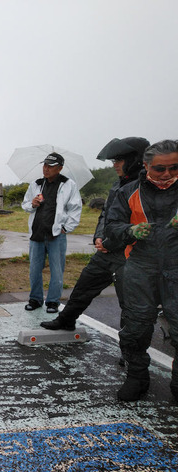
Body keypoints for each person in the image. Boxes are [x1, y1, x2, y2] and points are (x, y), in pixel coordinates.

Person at [41, 137, 149, 331]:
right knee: (84, 285)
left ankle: (130, 350)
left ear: (135, 160)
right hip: (106, 250)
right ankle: (66, 320)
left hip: (129, 255)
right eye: (113, 160)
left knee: (130, 303)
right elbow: (106, 214)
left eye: (119, 160)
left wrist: (109, 243)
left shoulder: (145, 188)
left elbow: (139, 225)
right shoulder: (118, 184)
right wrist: (98, 237)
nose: (115, 165)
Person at [105, 139, 178, 402]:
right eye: (160, 169)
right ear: (146, 166)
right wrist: (130, 231)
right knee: (136, 329)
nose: (167, 174)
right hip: (140, 266)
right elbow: (110, 230)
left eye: (174, 167)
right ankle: (137, 377)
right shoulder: (128, 192)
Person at [21, 153, 83, 313]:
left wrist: (66, 228)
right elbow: (25, 204)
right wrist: (32, 204)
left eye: (50, 166)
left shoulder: (68, 184)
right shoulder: (36, 184)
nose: (46, 169)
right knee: (34, 269)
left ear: (60, 168)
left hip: (56, 234)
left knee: (57, 270)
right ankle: (35, 299)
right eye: (45, 165)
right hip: (37, 232)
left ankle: (53, 301)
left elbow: (75, 208)